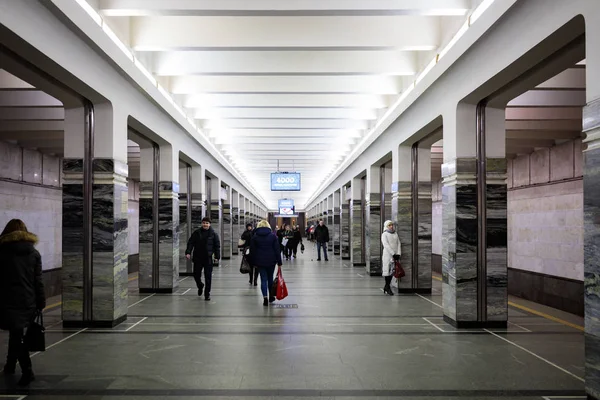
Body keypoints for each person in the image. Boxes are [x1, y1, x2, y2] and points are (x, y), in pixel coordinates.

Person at [0, 219, 45, 386]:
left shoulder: (1, 252)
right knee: (17, 333)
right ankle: (10, 365)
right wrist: (41, 302)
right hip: (28, 300)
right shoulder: (33, 253)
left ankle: (27, 371)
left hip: (7, 300)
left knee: (16, 334)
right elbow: (38, 281)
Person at [185, 217, 221, 301]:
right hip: (198, 257)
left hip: (208, 258)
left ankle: (207, 294)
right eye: (204, 223)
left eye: (207, 223)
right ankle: (200, 285)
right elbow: (191, 243)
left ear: (209, 224)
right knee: (196, 275)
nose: (205, 224)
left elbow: (217, 246)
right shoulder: (197, 233)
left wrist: (217, 256)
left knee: (208, 277)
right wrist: (188, 252)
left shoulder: (213, 234)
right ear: (202, 223)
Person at [249, 220, 282, 306]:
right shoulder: (273, 236)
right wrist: (279, 262)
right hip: (271, 261)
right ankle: (271, 296)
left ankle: (265, 298)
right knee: (270, 278)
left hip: (260, 261)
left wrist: (253, 262)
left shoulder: (255, 237)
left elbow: (252, 251)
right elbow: (277, 250)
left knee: (263, 279)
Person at [381, 220, 401, 296]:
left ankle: (386, 286)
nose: (391, 226)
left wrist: (398, 254)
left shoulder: (395, 234)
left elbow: (399, 243)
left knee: (393, 271)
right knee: (387, 271)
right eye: (389, 225)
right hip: (387, 255)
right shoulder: (384, 234)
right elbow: (386, 245)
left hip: (395, 256)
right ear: (386, 226)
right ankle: (387, 286)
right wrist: (393, 253)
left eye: (392, 225)